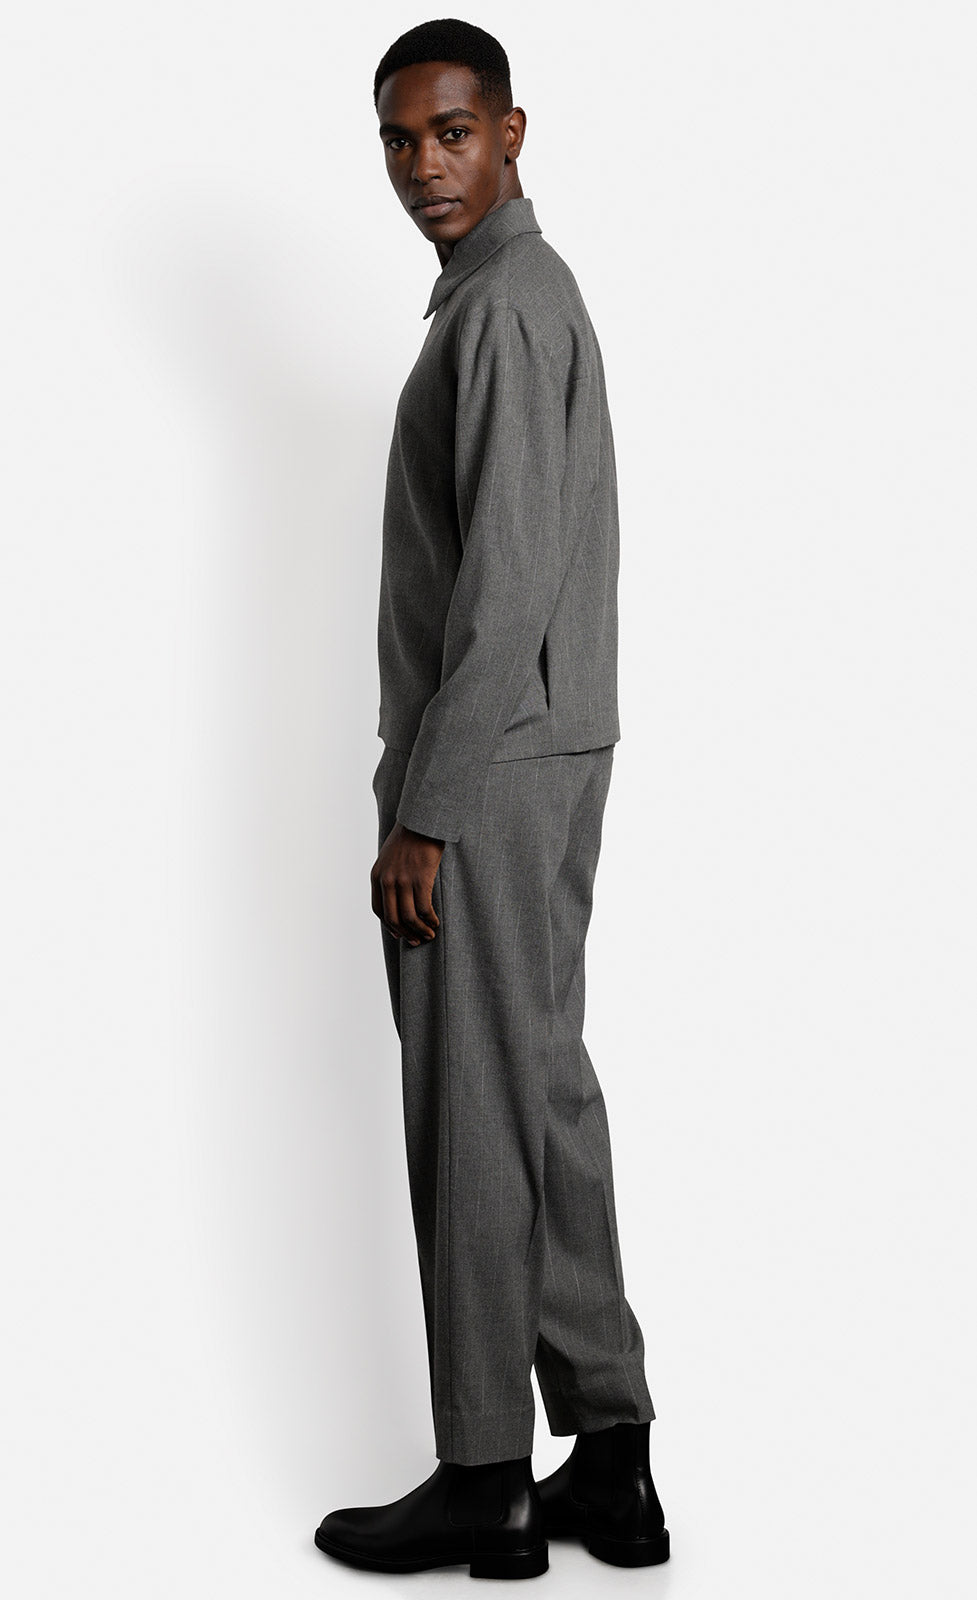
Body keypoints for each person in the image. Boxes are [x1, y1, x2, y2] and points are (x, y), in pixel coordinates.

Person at [315, 18, 670, 1580]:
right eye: (399, 140)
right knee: (534, 1090)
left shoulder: (510, 309)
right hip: (533, 755)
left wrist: (427, 811)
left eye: (450, 132)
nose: (423, 166)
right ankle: (611, 1461)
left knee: (474, 1106)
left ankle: (483, 1477)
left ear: (510, 133)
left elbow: (507, 584)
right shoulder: (500, 301)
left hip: (492, 771)